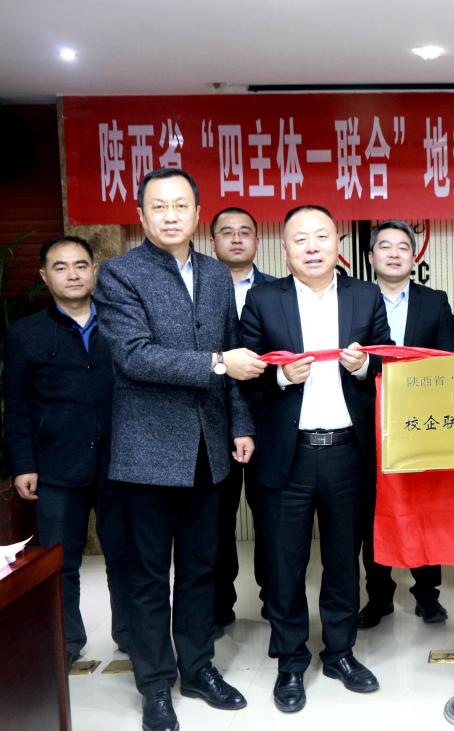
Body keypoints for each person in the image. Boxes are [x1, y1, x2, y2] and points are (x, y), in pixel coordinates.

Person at [95, 167, 266, 731]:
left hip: (208, 450)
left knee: (200, 569)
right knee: (148, 575)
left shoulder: (215, 274)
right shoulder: (119, 274)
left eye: (180, 206)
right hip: (147, 452)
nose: (170, 216)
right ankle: (154, 685)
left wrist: (241, 424)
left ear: (197, 213)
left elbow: (232, 350)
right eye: (158, 206)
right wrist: (216, 364)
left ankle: (197, 669)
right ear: (141, 216)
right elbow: (134, 356)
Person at [239, 204, 392, 714]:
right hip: (288, 454)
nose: (311, 246)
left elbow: (387, 358)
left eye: (321, 236)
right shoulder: (264, 299)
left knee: (344, 560)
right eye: (299, 238)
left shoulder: (364, 295)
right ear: (285, 249)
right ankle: (290, 660)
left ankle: (340, 653)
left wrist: (365, 365)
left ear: (337, 243)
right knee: (285, 565)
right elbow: (245, 373)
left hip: (348, 452)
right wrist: (281, 377)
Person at [3, 235, 131, 666]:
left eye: (80, 265)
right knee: (62, 561)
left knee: (125, 558)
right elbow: (17, 406)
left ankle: (131, 637)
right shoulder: (25, 334)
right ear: (45, 276)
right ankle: (67, 644)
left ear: (94, 270)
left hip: (120, 464)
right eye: (60, 267)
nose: (72, 274)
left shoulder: (120, 325)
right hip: (56, 466)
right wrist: (23, 464)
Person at [357, 220, 454, 629]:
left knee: (423, 508)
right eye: (385, 246)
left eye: (403, 246)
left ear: (414, 257)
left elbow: (448, 361)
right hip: (366, 417)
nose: (395, 253)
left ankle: (427, 595)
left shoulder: (435, 302)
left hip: (421, 420)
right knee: (373, 508)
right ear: (371, 256)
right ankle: (378, 595)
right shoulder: (355, 300)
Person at [209, 206, 276, 631]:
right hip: (212, 423)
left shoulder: (278, 291)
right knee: (216, 519)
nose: (236, 239)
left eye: (245, 232)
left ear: (257, 241)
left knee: (271, 517)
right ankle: (220, 604)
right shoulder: (198, 290)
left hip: (269, 421)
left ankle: (275, 599)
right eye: (227, 232)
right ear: (212, 241)